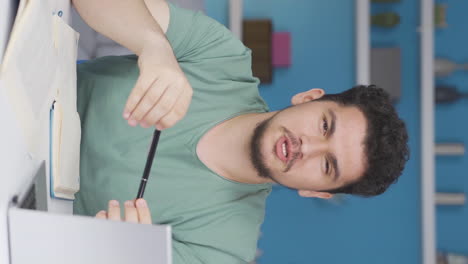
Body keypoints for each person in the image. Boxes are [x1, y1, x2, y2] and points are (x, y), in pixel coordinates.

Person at [72, 0, 410, 263]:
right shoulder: (221, 57)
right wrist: (155, 47)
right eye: (325, 125)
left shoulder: (224, 247)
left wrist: (123, 256)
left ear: (318, 193)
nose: (308, 147)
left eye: (327, 166)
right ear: (308, 98)